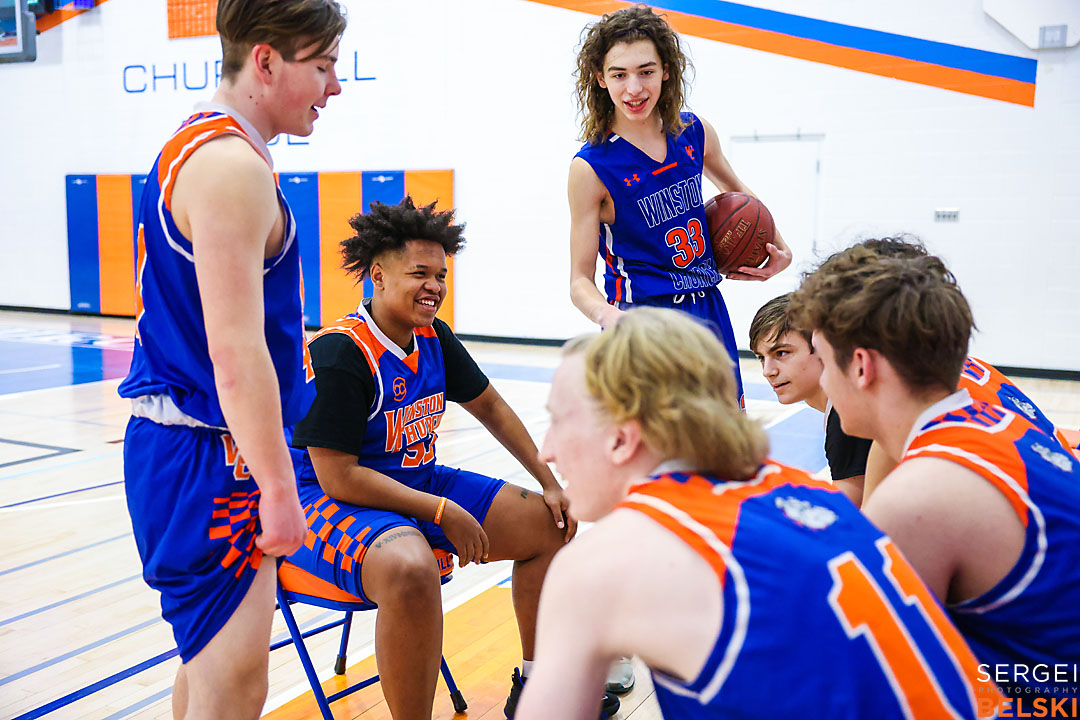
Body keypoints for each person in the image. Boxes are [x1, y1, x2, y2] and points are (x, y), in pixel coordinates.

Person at [516, 308, 1002, 719]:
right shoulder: (805, 492)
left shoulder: (604, 560)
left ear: (622, 438)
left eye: (557, 421)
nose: (546, 451)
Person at [286, 197, 619, 720]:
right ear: (378, 275)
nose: (435, 287)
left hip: (413, 483)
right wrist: (440, 510)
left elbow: (491, 406)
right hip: (324, 500)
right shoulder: (341, 352)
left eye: (440, 275)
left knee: (551, 524)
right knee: (410, 567)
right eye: (420, 273)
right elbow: (338, 476)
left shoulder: (432, 335)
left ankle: (538, 690)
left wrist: (550, 482)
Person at [116, 2, 345, 718]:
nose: (335, 86)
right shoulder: (229, 166)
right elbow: (236, 352)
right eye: (323, 66)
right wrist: (279, 486)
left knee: (211, 675)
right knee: (234, 689)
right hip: (207, 454)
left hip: (200, 447)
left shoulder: (207, 144)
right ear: (267, 61)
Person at [790, 246, 1080, 699]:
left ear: (861, 366)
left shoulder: (919, 496)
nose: (823, 381)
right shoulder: (992, 420)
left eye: (824, 363)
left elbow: (870, 682)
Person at [568, 4, 792, 411]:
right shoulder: (591, 167)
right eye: (619, 75)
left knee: (724, 437)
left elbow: (738, 193)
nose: (634, 88)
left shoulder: (694, 132)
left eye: (646, 71)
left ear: (666, 71)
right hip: (643, 319)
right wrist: (607, 315)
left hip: (707, 306)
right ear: (600, 78)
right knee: (654, 445)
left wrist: (780, 248)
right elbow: (579, 281)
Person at [749, 294, 870, 505]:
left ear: (823, 346)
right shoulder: (847, 399)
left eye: (782, 353)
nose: (768, 371)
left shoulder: (846, 415)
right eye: (761, 357)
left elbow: (847, 515)